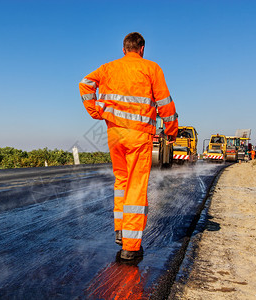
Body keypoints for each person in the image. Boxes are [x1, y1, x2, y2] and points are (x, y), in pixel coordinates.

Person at [78, 32, 178, 260]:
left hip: (114, 134)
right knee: (135, 186)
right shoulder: (151, 68)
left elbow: (84, 84)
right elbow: (165, 103)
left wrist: (97, 111)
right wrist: (171, 132)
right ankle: (131, 248)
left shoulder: (108, 68)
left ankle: (121, 232)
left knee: (122, 183)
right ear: (142, 49)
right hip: (138, 137)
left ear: (124, 49)